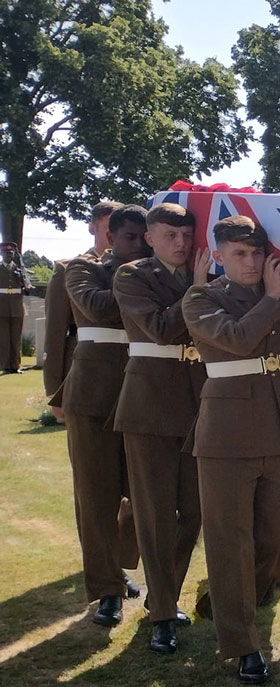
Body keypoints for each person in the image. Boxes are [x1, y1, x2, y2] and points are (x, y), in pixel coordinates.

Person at [182, 216, 280, 684]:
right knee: (229, 538)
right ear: (218, 255)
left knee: (277, 532)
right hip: (226, 437)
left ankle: (227, 600)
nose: (252, 262)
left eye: (257, 253)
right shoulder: (201, 298)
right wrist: (272, 299)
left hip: (278, 431)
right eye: (240, 253)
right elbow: (235, 340)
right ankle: (242, 645)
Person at [112, 203, 206, 654]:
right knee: (154, 513)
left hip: (197, 405)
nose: (181, 243)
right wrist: (202, 292)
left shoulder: (202, 274)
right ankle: (164, 613)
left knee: (193, 511)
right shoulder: (132, 276)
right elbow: (160, 329)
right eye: (170, 234)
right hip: (149, 406)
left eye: (186, 234)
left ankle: (163, 598)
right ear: (149, 237)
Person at [63, 205, 149, 625]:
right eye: (131, 237)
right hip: (93, 399)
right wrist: (137, 283)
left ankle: (120, 566)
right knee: (96, 497)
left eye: (144, 237)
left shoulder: (156, 275)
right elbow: (97, 308)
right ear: (110, 237)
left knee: (145, 495)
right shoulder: (82, 270)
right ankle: (107, 589)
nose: (140, 245)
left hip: (142, 397)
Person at [46, 201, 121, 415]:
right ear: (92, 227)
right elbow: (55, 332)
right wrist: (54, 390)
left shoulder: (136, 269)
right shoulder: (68, 269)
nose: (112, 234)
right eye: (108, 227)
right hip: (83, 369)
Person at [1, 241, 37, 373]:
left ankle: (15, 365)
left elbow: (26, 288)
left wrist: (25, 284)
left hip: (17, 306)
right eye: (6, 253)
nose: (8, 255)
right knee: (4, 338)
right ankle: (5, 366)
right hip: (2, 306)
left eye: (11, 253)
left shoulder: (20, 270)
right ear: (1, 254)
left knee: (16, 338)